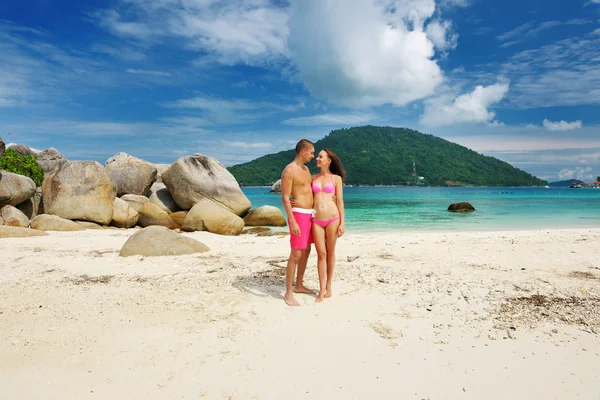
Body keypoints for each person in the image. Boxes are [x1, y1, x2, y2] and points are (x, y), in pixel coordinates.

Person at [280, 139, 316, 306]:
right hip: (299, 215)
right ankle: (288, 293)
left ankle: (299, 285)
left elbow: (308, 190)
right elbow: (286, 197)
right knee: (296, 254)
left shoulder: (306, 169)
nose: (313, 156)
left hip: (310, 214)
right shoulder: (289, 170)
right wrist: (292, 220)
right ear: (303, 152)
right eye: (311, 153)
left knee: (307, 250)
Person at [311, 149, 345, 302]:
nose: (317, 158)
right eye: (317, 156)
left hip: (333, 219)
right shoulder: (312, 178)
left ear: (329, 160)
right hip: (316, 220)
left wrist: (342, 223)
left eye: (320, 156)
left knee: (330, 253)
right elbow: (305, 196)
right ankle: (321, 288)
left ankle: (328, 285)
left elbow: (339, 201)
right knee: (321, 254)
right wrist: (294, 201)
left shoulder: (336, 179)